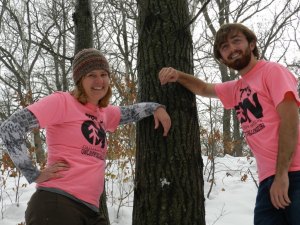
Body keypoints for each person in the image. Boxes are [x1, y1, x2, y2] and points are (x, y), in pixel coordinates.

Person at [0, 48, 171, 225]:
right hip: (56, 204)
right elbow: (11, 127)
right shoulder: (62, 102)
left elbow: (130, 112)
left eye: (104, 74)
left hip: (90, 211)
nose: (99, 81)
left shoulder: (104, 113)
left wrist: (155, 107)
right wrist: (33, 173)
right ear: (80, 80)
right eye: (91, 75)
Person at [159, 23, 300, 225]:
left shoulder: (272, 71)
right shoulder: (237, 88)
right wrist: (178, 75)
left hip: (293, 173)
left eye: (236, 41)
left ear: (251, 44)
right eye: (224, 47)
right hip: (268, 181)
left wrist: (282, 175)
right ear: (222, 58)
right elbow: (203, 88)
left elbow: (290, 121)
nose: (231, 49)